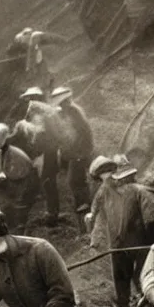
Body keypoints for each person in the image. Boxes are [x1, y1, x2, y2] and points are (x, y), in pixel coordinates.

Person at [87, 155, 154, 307]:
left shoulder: (139, 191)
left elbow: (152, 218)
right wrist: (94, 234)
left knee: (141, 274)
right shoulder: (105, 191)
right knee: (122, 275)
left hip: (140, 240)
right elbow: (94, 214)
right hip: (119, 242)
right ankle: (124, 306)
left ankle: (143, 303)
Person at [10, 92, 61, 226]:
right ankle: (49, 212)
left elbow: (47, 138)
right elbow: (17, 135)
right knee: (45, 183)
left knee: (49, 184)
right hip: (40, 155)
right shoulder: (30, 117)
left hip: (47, 155)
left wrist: (38, 152)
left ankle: (52, 215)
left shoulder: (43, 117)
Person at [50, 86, 93, 225]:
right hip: (71, 151)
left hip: (79, 151)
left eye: (62, 102)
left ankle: (84, 204)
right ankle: (82, 202)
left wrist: (80, 152)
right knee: (76, 179)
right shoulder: (65, 111)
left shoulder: (74, 112)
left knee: (74, 180)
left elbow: (84, 133)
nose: (61, 104)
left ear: (67, 100)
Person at [0, 122, 38, 234]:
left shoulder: (13, 153)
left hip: (24, 184)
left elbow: (14, 174)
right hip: (19, 181)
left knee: (8, 202)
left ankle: (17, 228)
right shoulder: (4, 151)